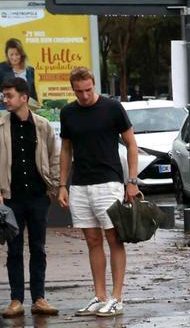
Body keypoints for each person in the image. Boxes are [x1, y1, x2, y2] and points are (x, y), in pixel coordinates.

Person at [56, 65, 140, 315]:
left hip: (109, 181)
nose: (84, 95)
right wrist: (63, 184)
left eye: (88, 89)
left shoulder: (112, 108)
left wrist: (132, 181)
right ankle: (99, 295)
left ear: (95, 85)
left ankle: (117, 297)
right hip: (80, 183)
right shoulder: (68, 113)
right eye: (79, 91)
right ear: (73, 89)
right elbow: (66, 150)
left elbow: (131, 143)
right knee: (92, 240)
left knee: (114, 237)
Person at [0, 74, 62, 318]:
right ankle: (16, 299)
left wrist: (55, 186)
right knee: (14, 249)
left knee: (39, 247)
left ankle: (39, 298)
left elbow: (54, 156)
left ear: (24, 97)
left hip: (38, 196)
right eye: (3, 96)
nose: (5, 100)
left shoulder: (42, 125)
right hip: (11, 198)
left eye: (9, 96)